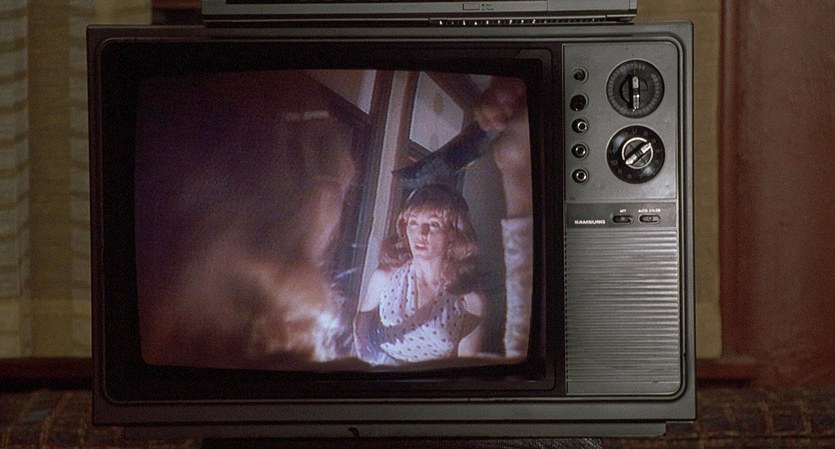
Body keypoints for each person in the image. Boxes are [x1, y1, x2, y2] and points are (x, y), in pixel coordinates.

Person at [354, 184, 487, 365]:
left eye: (433, 224)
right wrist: (363, 349)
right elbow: (363, 318)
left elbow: (466, 363)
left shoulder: (470, 298)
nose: (420, 233)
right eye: (413, 223)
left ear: (452, 233)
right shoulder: (385, 277)